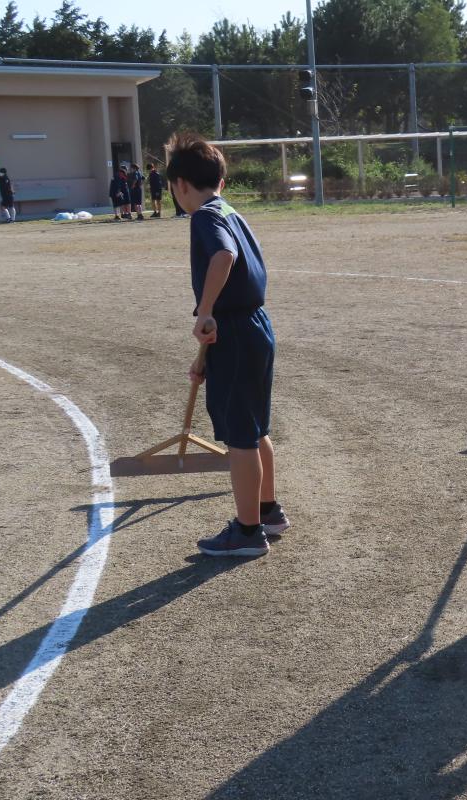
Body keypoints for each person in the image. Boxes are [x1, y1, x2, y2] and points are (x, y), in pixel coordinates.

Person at [166, 131, 286, 557]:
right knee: (255, 429)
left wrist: (205, 311)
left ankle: (248, 531)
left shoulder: (205, 217)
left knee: (239, 437)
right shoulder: (231, 210)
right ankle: (268, 511)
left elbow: (223, 258)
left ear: (180, 184)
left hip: (235, 329)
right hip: (253, 326)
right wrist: (205, 347)